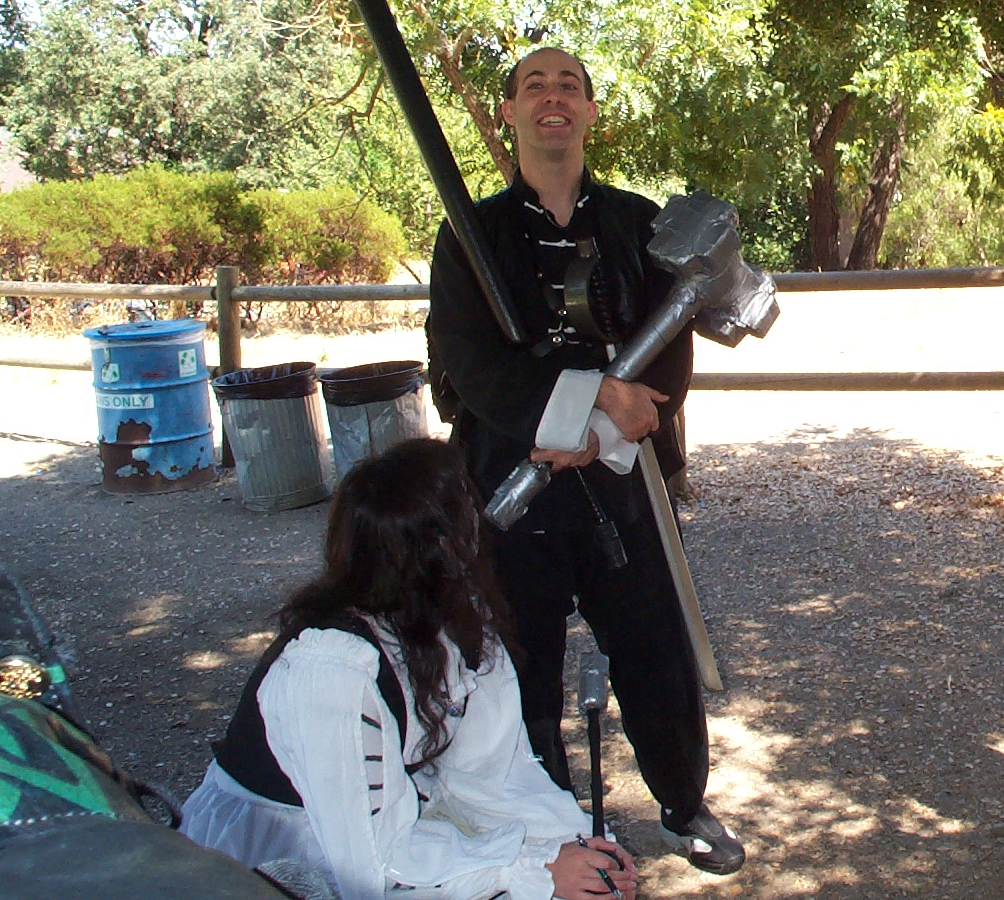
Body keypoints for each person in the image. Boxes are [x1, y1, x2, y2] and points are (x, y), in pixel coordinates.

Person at [424, 47, 742, 874]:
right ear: (509, 113)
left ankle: (682, 803)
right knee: (516, 661)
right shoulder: (470, 237)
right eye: (534, 85)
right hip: (509, 473)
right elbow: (468, 362)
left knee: (655, 646)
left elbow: (668, 355)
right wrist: (589, 396)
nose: (552, 97)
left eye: (569, 85)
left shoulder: (640, 224)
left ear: (591, 111)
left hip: (622, 476)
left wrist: (600, 431)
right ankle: (549, 829)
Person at [180, 438, 638, 900]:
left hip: (399, 822)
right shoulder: (331, 673)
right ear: (441, 547)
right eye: (466, 510)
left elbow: (489, 774)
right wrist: (535, 872)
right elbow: (367, 868)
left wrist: (572, 844)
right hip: (292, 854)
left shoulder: (455, 620)